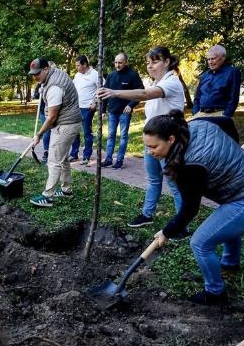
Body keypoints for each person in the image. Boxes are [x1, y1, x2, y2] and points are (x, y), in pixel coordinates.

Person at [148, 110, 244, 304]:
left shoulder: (188, 165)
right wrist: (233, 148)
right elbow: (226, 121)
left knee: (200, 243)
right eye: (147, 146)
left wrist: (166, 232)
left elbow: (190, 209)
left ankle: (215, 292)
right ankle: (230, 263)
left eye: (153, 147)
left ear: (171, 139)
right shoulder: (195, 125)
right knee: (227, 220)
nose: (150, 152)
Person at [98, 47, 185, 228]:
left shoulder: (172, 82)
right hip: (152, 143)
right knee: (154, 180)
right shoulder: (156, 82)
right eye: (148, 63)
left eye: (155, 62)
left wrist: (114, 92)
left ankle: (182, 225)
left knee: (175, 185)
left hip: (168, 144)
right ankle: (147, 214)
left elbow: (144, 94)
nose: (150, 66)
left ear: (167, 62)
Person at [28, 57, 82, 207]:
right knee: (62, 158)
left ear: (46, 69)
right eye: (33, 74)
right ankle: (66, 190)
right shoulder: (54, 74)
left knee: (54, 160)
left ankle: (48, 196)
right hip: (70, 121)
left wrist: (39, 134)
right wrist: (42, 86)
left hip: (66, 125)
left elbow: (51, 117)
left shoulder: (54, 87)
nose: (35, 77)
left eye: (37, 73)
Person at [100, 53, 144, 169]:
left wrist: (131, 104)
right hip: (112, 111)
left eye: (120, 62)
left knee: (123, 136)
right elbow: (105, 93)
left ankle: (119, 160)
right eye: (115, 62)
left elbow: (141, 92)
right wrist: (103, 110)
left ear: (126, 62)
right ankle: (108, 159)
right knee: (111, 135)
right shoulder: (111, 75)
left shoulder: (132, 75)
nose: (117, 65)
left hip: (125, 111)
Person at [192, 44, 241, 118]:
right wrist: (195, 113)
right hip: (200, 114)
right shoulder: (204, 75)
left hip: (219, 115)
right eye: (208, 59)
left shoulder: (232, 72)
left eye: (213, 59)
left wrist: (226, 116)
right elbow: (197, 97)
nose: (210, 62)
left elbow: (233, 99)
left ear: (223, 58)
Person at [70, 55, 99, 165]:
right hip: (76, 107)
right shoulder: (77, 75)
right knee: (74, 131)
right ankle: (74, 154)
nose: (76, 68)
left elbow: (101, 87)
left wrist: (95, 102)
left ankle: (86, 156)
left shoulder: (95, 74)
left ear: (85, 64)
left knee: (87, 132)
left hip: (87, 108)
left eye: (78, 65)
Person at [33, 82, 51, 163]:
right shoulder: (40, 84)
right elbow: (35, 96)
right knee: (47, 131)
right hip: (43, 111)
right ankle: (46, 151)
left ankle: (54, 151)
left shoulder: (53, 83)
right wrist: (39, 92)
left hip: (53, 109)